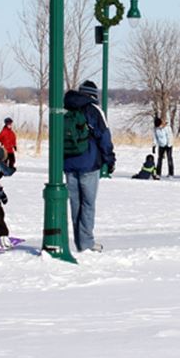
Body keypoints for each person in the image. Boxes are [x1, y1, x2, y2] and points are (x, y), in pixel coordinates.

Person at [63, 80, 116, 253]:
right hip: (89, 162)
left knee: (75, 203)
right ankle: (86, 243)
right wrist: (110, 159)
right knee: (88, 203)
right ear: (94, 94)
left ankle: (80, 241)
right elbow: (104, 137)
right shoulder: (94, 110)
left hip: (69, 163)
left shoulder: (68, 108)